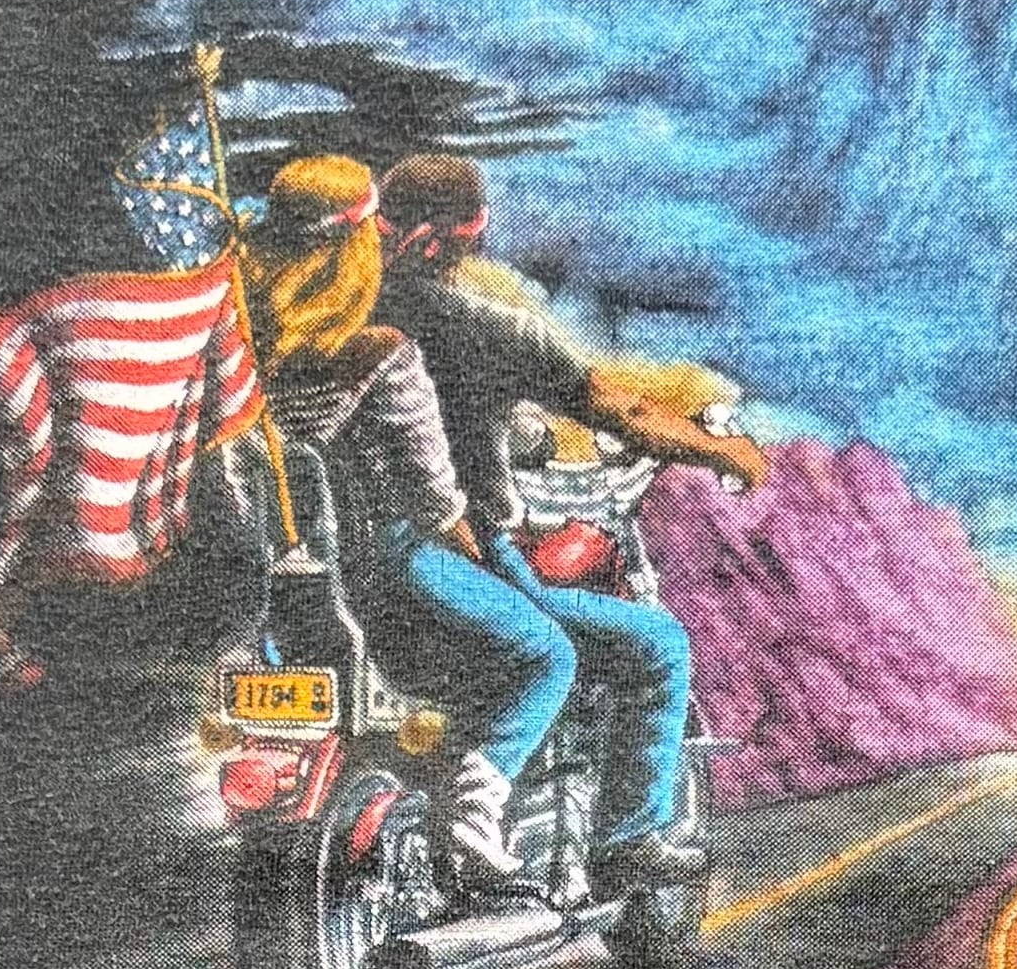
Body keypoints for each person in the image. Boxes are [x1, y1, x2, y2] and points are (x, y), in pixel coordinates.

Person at [247, 156, 708, 901]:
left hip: (299, 587)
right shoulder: (386, 353)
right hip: (401, 566)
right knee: (562, 650)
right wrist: (483, 554)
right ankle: (542, 827)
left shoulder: (244, 361)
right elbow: (439, 505)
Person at [375, 151, 765, 888]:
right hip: (448, 555)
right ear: (469, 233)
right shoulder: (489, 331)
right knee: (653, 645)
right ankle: (626, 843)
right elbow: (622, 410)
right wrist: (725, 449)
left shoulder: (324, 323)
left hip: (340, 573)